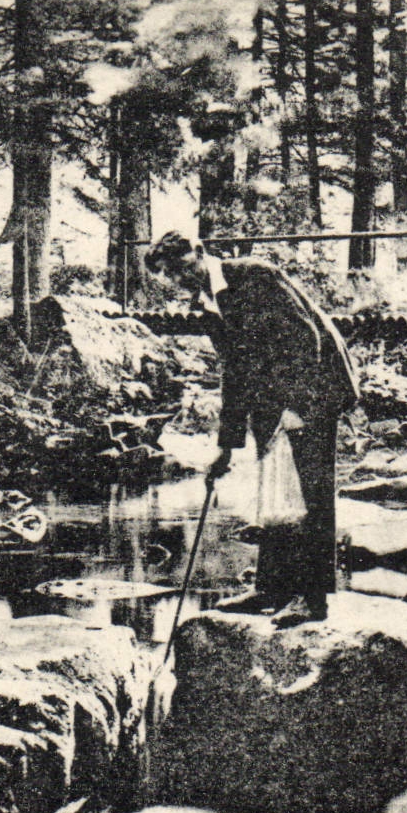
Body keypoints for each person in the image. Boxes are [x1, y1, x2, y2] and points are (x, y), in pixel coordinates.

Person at [144, 231, 358, 625]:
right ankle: (270, 590)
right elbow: (235, 371)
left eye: (182, 268)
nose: (180, 280)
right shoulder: (209, 304)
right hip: (272, 393)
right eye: (170, 277)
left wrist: (297, 407)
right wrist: (226, 446)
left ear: (199, 253)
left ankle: (312, 600)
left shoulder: (254, 275)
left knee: (310, 492)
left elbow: (303, 337)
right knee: (274, 489)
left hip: (314, 385)